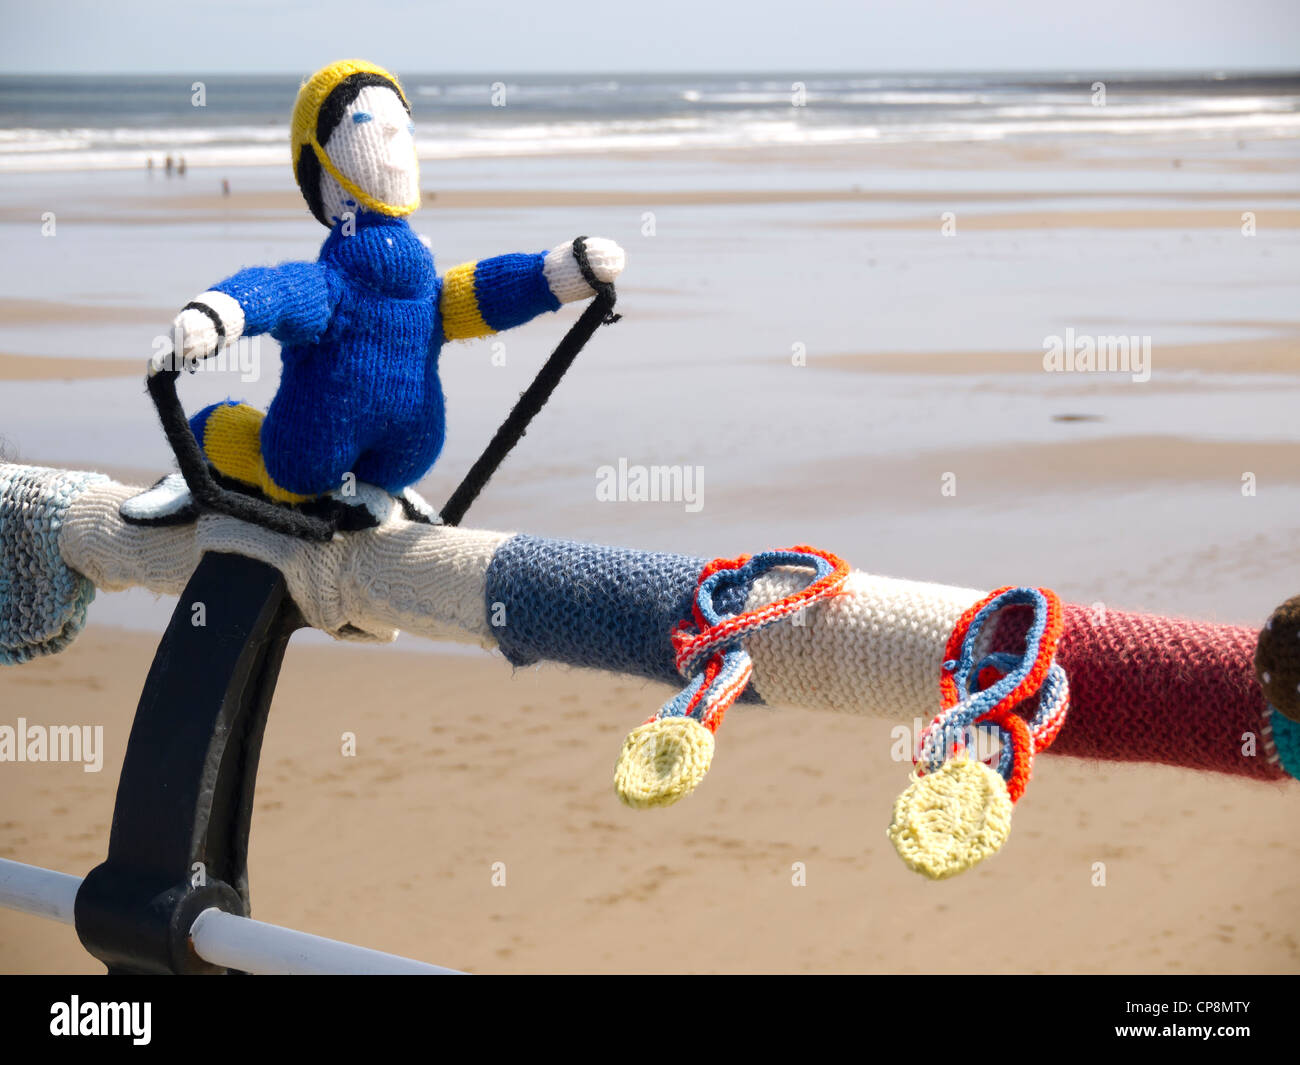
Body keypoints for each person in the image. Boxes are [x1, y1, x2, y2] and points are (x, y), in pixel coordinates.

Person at [126, 59, 624, 530]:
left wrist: (555, 273)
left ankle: (382, 489)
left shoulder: (423, 287)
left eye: (405, 128)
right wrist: (226, 309)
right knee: (273, 463)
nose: (394, 136)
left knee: (384, 461)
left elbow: (475, 295)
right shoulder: (334, 282)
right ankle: (195, 458)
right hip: (307, 456)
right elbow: (281, 290)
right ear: (319, 161)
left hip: (402, 454)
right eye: (366, 123)